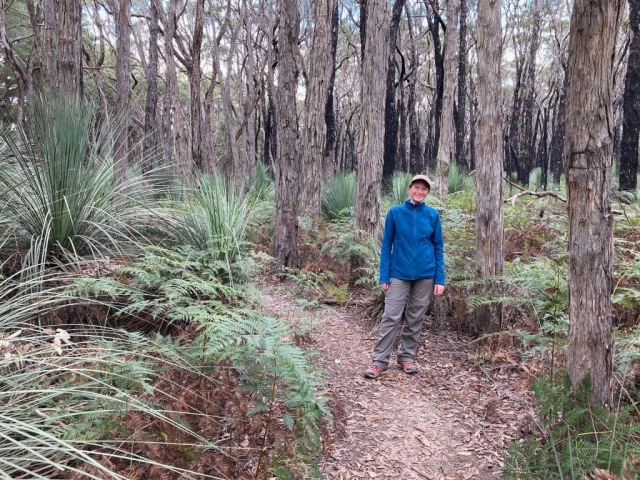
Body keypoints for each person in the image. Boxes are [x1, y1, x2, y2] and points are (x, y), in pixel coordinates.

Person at [363, 174, 445, 379]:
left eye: (424, 189)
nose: (420, 192)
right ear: (410, 189)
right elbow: (386, 245)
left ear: (428, 192)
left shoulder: (432, 215)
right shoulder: (395, 213)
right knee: (391, 316)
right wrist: (384, 275)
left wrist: (440, 278)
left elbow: (438, 247)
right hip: (398, 273)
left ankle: (406, 357)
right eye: (416, 187)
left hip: (426, 274)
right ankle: (379, 361)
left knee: (415, 317)